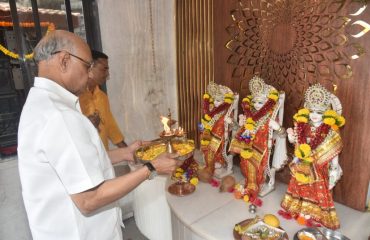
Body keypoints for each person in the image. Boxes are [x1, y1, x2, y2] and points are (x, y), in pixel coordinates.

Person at [17, 30, 179, 240]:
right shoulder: (60, 116)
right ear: (64, 60)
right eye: (86, 66)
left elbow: (77, 164)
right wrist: (152, 167)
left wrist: (125, 154)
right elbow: (89, 199)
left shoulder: (42, 104)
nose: (89, 74)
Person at [280, 83, 345, 229]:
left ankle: (314, 214)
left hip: (320, 168)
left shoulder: (331, 132)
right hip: (303, 165)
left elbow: (334, 151)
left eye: (319, 112)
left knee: (317, 191)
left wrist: (334, 169)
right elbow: (297, 144)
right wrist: (291, 136)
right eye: (312, 111)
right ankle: (301, 210)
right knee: (301, 187)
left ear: (327, 114)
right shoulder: (303, 126)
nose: (315, 115)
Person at [229, 76, 287, 200]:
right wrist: (241, 122)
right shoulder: (251, 113)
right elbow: (243, 129)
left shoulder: (270, 114)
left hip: (262, 146)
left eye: (260, 102)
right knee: (245, 162)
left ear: (268, 102)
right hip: (247, 144)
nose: (256, 104)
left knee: (252, 164)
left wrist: (277, 127)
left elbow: (282, 134)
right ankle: (250, 183)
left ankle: (254, 185)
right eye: (254, 101)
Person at [79, 50, 127, 150]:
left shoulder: (102, 97)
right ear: (90, 69)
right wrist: (87, 124)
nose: (107, 74)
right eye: (104, 69)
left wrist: (128, 151)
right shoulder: (75, 98)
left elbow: (110, 126)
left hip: (103, 159)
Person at [197, 82, 239, 180]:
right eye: (215, 100)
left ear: (225, 101)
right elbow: (205, 121)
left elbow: (236, 127)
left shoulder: (227, 112)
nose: (216, 102)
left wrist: (230, 122)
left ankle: (217, 162)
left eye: (219, 100)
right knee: (206, 147)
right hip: (209, 134)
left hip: (219, 137)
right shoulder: (211, 109)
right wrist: (202, 127)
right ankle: (209, 165)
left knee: (213, 149)